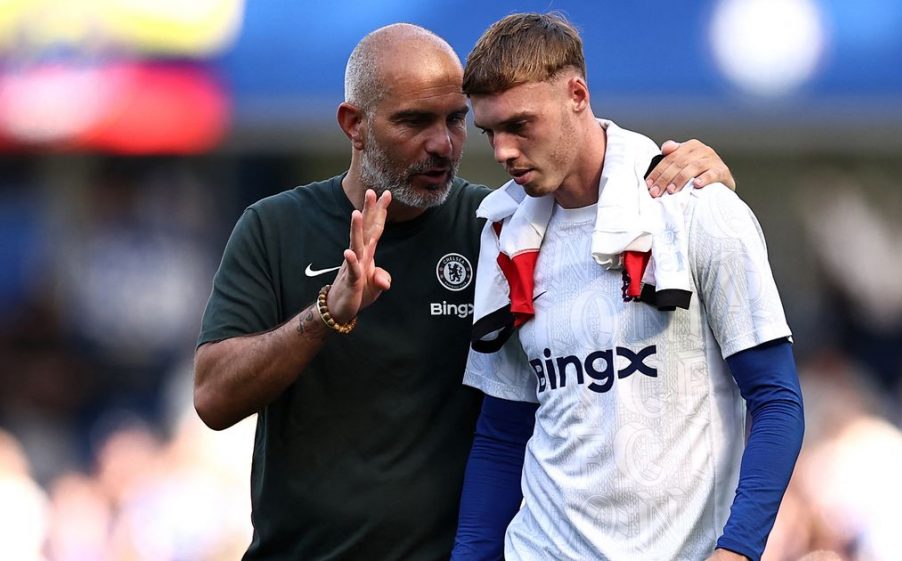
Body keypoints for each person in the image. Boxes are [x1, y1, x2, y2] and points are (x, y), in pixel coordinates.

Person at [192, 22, 736, 561]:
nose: (443, 144)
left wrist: (698, 181)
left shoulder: (501, 229)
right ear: (354, 124)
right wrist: (325, 315)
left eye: (455, 120)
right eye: (414, 121)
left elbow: (611, 205)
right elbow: (213, 400)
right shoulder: (274, 227)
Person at [453, 13, 804, 561]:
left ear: (577, 95)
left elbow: (776, 400)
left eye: (519, 125)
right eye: (489, 132)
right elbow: (502, 433)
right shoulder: (504, 233)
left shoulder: (697, 208)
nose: (502, 151)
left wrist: (739, 549)